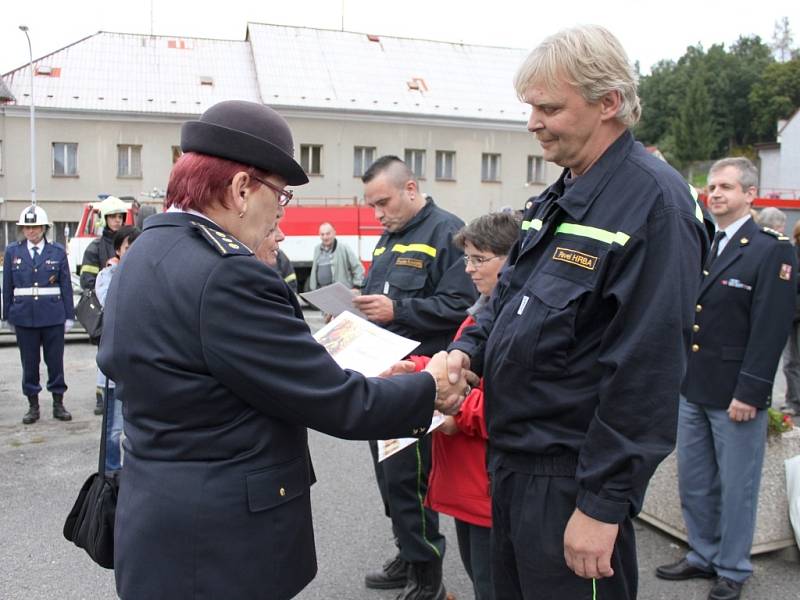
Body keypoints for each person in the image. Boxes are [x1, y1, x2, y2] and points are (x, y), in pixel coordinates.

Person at [96, 100, 472, 600]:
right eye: (282, 195)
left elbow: (231, 375)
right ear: (241, 189)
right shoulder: (228, 272)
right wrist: (429, 390)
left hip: (159, 521)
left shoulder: (146, 249)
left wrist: (373, 379)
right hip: (220, 544)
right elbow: (335, 402)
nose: (281, 211)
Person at [446, 25, 709, 599]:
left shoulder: (655, 205)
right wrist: (465, 354)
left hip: (570, 483)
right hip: (514, 467)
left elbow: (647, 370)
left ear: (608, 102)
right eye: (531, 107)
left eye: (549, 107)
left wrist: (602, 505)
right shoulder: (563, 193)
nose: (533, 122)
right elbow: (508, 295)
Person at [656, 157, 796, 600]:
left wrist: (751, 391)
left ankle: (733, 567)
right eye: (712, 187)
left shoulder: (771, 249)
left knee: (738, 487)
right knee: (694, 479)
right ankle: (701, 553)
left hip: (736, 392)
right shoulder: (704, 241)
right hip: (693, 384)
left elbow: (770, 329)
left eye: (726, 188)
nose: (714, 194)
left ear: (749, 195)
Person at [352, 155, 477, 600]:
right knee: (389, 475)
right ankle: (407, 552)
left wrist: (398, 310)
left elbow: (464, 305)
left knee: (410, 477)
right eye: (372, 206)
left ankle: (427, 574)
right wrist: (355, 306)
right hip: (382, 376)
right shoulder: (388, 241)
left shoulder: (446, 232)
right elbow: (378, 299)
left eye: (383, 202)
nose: (378, 214)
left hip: (420, 380)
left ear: (410, 188)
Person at [407, 212, 519, 600]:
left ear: (515, 257)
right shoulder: (483, 311)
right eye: (466, 258)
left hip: (489, 485)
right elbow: (454, 374)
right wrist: (414, 369)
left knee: (493, 587)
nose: (468, 269)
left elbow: (516, 408)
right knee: (480, 580)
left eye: (479, 259)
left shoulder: (516, 320)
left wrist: (456, 413)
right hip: (468, 483)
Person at [2, 205, 75, 424]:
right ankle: (33, 405)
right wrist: (6, 315)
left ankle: (58, 403)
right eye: (27, 227)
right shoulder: (13, 252)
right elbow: (7, 286)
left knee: (55, 362)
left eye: (35, 227)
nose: (31, 231)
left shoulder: (57, 251)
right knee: (29, 363)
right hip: (24, 317)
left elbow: (66, 286)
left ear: (44, 228)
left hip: (52, 316)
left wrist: (69, 315)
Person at [95, 225, 141, 473]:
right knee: (113, 429)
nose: (133, 251)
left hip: (138, 365)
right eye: (127, 246)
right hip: (115, 367)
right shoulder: (107, 276)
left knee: (135, 426)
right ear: (118, 250)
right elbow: (112, 305)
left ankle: (131, 471)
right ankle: (111, 474)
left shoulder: (146, 274)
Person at [80, 195, 129, 414]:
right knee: (104, 353)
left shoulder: (130, 240)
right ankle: (102, 394)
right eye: (113, 217)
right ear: (104, 219)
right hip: (103, 309)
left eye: (120, 216)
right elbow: (87, 281)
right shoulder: (95, 247)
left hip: (126, 307)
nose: (117, 221)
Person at [308, 222, 364, 290]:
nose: (325, 237)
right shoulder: (317, 249)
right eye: (322, 234)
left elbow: (358, 268)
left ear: (334, 233)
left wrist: (357, 286)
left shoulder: (343, 248)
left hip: (340, 292)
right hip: (322, 291)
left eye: (328, 234)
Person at [782, 220, 800, 416]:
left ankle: (794, 400)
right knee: (790, 361)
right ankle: (793, 400)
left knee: (791, 361)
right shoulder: (791, 250)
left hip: (793, 312)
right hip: (792, 313)